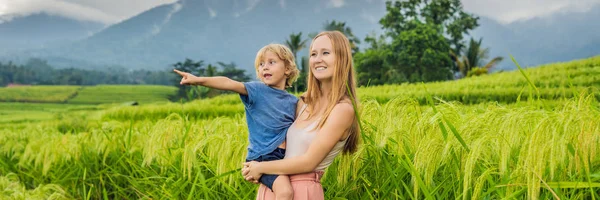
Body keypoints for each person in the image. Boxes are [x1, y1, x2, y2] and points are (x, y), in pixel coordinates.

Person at [242, 31, 360, 200]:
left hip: (302, 191)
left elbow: (309, 162)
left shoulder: (343, 109)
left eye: (325, 53)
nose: (317, 59)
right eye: (313, 54)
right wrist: (253, 167)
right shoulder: (303, 103)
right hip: (273, 186)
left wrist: (260, 168)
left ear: (342, 58)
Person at [174, 43, 300, 199]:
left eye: (271, 62)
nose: (265, 67)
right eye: (261, 64)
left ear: (287, 69)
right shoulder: (256, 90)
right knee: (285, 192)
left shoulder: (294, 101)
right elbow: (228, 83)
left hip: (284, 157)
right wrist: (198, 80)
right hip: (264, 155)